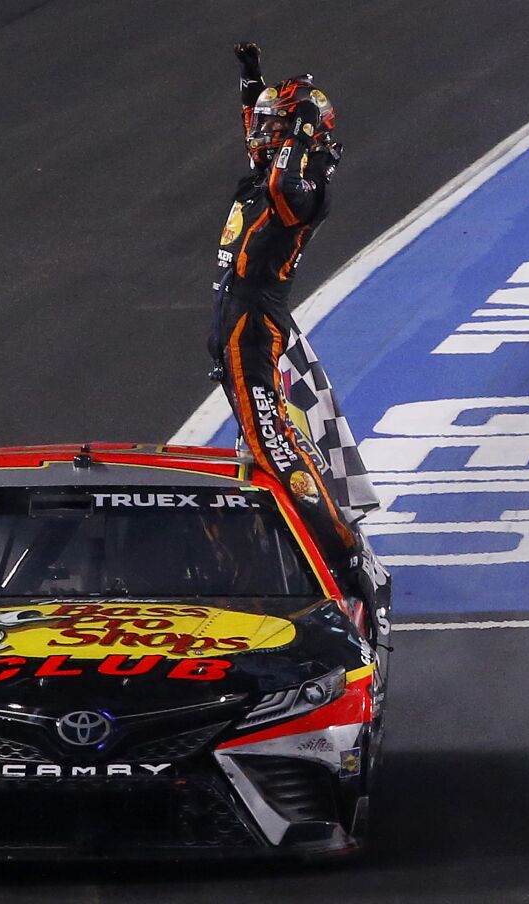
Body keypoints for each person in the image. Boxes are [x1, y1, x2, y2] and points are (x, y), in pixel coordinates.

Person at [207, 43, 365, 594]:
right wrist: (253, 84)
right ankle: (259, 564)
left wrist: (299, 128)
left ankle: (345, 560)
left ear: (305, 132)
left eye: (278, 125)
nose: (263, 131)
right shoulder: (273, 167)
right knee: (254, 452)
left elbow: (282, 179)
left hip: (252, 327)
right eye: (267, 123)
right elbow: (264, 152)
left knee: (273, 445)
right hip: (236, 325)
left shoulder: (306, 189)